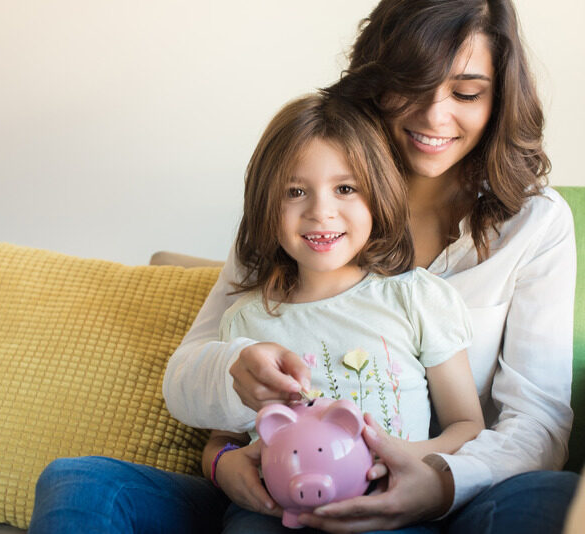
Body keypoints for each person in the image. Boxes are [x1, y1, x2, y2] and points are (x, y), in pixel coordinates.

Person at [30, 1, 579, 533]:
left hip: (455, 494)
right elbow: (191, 378)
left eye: (465, 92)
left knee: (551, 501)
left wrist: (439, 481)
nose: (436, 115)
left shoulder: (535, 224)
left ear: (499, 99)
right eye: (411, 86)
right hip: (279, 492)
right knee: (80, 482)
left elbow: (535, 420)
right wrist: (224, 455)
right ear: (375, 81)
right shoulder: (294, 217)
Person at [202, 92, 485, 531]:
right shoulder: (245, 320)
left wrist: (397, 455)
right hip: (277, 514)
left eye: (345, 189)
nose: (320, 211)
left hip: (392, 507)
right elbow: (222, 441)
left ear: (379, 195)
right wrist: (222, 466)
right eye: (295, 191)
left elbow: (467, 425)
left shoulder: (415, 298)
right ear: (265, 205)